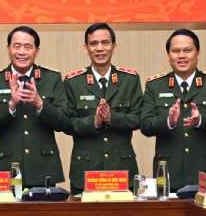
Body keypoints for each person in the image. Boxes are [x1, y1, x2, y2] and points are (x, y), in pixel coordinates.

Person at [140, 28, 206, 190]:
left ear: (198, 53)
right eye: (175, 51)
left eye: (187, 50)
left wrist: (201, 120)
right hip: (168, 171)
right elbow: (145, 125)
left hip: (205, 170)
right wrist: (168, 121)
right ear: (168, 55)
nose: (181, 56)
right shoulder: (155, 85)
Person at [58, 22, 143, 194]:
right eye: (93, 43)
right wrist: (94, 122)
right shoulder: (73, 82)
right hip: (85, 169)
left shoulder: (129, 79)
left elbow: (139, 118)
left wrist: (113, 118)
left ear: (114, 46)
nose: (100, 48)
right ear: (86, 47)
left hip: (122, 168)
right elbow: (66, 123)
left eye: (105, 43)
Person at [0, 26, 64, 188]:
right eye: (16, 46)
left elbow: (64, 122)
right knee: (11, 212)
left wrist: (40, 104)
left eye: (28, 47)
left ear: (36, 51)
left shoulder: (52, 78)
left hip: (44, 166)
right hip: (9, 165)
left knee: (45, 213)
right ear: (8, 49)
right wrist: (10, 105)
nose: (22, 52)